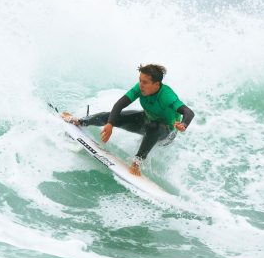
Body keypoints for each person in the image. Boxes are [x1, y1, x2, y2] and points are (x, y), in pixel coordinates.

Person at [63, 64, 195, 176]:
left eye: (145, 82)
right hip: (147, 119)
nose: (141, 85)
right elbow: (120, 104)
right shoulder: (140, 88)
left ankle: (137, 163)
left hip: (166, 131)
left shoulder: (167, 95)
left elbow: (188, 112)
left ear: (156, 84)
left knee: (154, 127)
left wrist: (183, 124)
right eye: (140, 80)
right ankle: (80, 121)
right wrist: (110, 124)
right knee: (111, 116)